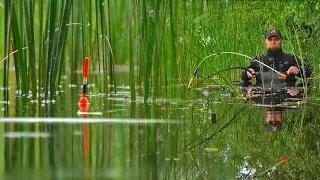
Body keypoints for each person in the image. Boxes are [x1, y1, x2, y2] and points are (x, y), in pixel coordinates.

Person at [241, 29, 312, 88]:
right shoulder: (257, 60)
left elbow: (308, 72)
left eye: (276, 39)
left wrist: (298, 70)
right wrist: (247, 73)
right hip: (263, 97)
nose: (273, 42)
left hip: (287, 97)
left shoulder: (291, 58)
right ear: (265, 43)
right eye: (270, 39)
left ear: (281, 41)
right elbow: (243, 76)